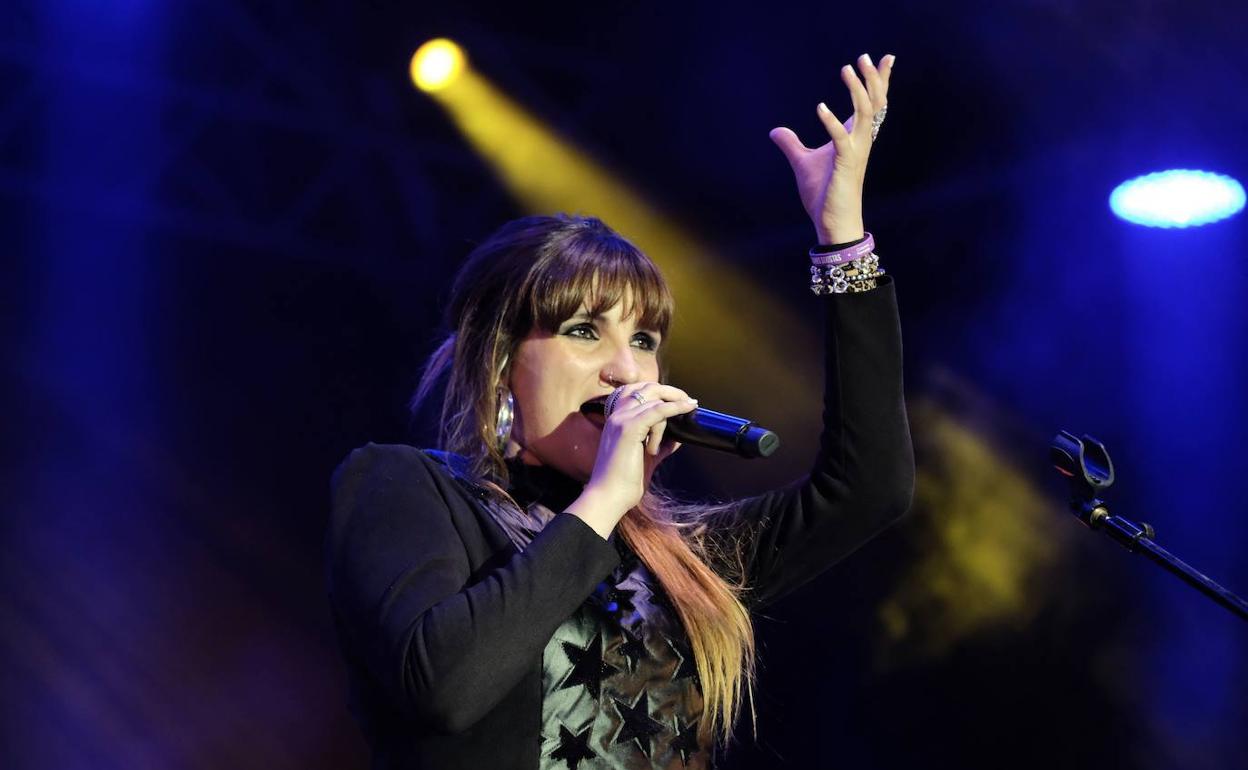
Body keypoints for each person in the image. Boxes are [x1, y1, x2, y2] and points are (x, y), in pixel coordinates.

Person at [327, 53, 912, 770]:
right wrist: (604, 501)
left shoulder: (681, 559)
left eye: (643, 340)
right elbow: (443, 688)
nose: (625, 367)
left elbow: (870, 487)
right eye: (583, 332)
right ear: (502, 362)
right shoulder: (405, 488)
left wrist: (841, 236)